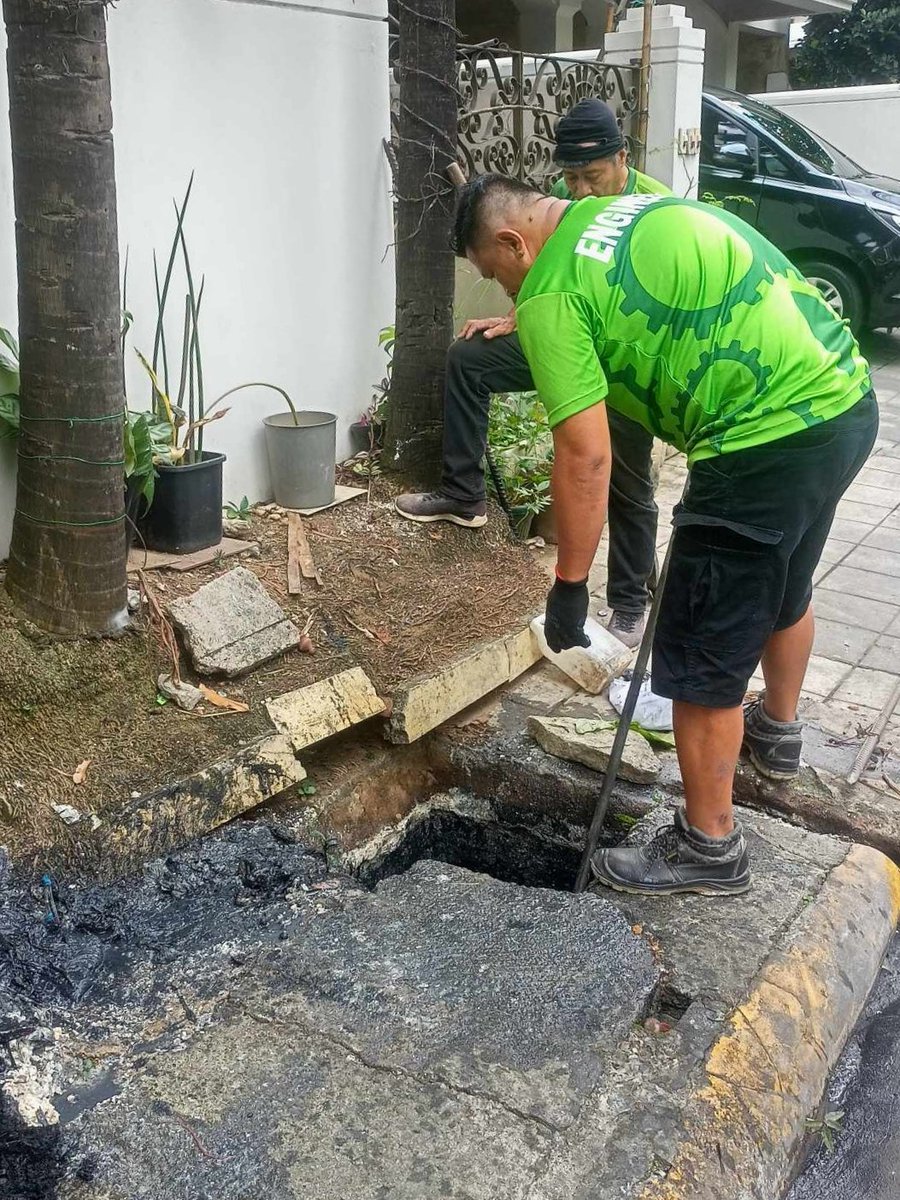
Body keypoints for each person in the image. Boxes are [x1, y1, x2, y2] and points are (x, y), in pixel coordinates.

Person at [451, 173, 877, 897]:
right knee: (782, 588)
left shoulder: (551, 291)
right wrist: (540, 319)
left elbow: (586, 458)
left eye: (499, 276)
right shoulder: (616, 211)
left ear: (512, 241)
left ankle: (710, 847)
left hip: (758, 438)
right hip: (839, 400)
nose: (509, 299)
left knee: (701, 644)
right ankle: (775, 733)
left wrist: (569, 587)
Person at [395, 98, 669, 648]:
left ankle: (630, 601)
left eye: (592, 175)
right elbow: (543, 264)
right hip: (565, 331)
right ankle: (463, 493)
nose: (582, 190)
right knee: (470, 357)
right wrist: (517, 313)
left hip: (622, 355)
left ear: (622, 159)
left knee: (623, 471)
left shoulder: (654, 208)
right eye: (570, 177)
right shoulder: (559, 206)